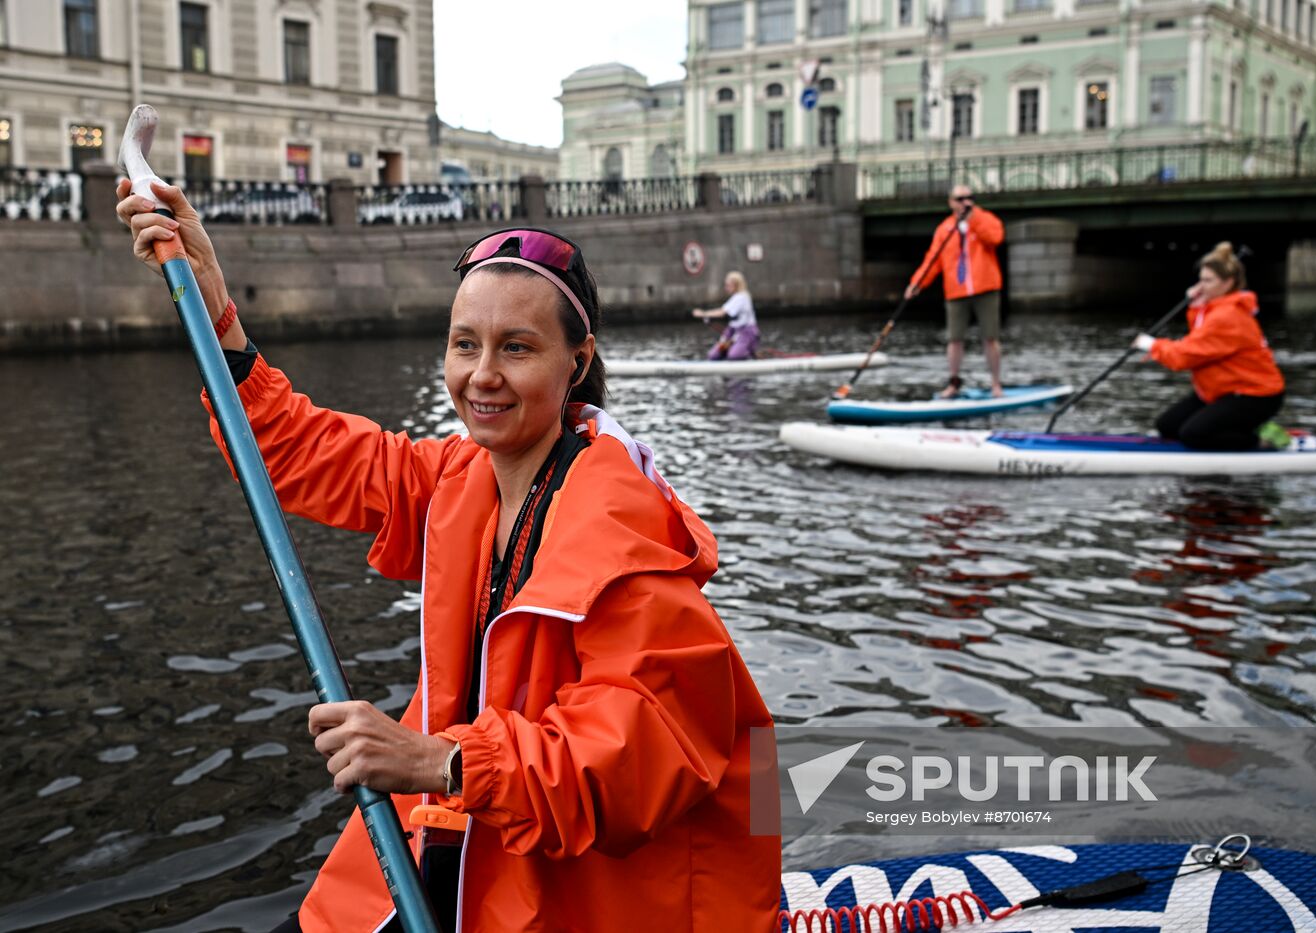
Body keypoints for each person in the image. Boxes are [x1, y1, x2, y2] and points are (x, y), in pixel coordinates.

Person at [114, 180, 780, 933]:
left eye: (516, 348)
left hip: (576, 895)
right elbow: (300, 451)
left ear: (577, 358)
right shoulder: (461, 476)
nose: (481, 376)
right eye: (465, 345)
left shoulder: (630, 539)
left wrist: (439, 761)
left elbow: (635, 763)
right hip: (455, 847)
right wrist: (214, 312)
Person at [1134, 242, 1288, 451]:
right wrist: (1196, 307)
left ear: (1228, 283)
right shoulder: (1214, 310)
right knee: (1167, 426)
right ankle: (1238, 429)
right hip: (1221, 389)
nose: (1201, 286)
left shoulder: (1228, 316)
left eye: (1208, 280)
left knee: (1193, 434)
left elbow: (1186, 357)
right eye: (1200, 279)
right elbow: (1199, 341)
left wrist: (1153, 346)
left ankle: (1260, 442)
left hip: (1255, 395)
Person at [904, 184, 1006, 398]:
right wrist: (917, 283)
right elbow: (933, 260)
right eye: (960, 199)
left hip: (985, 286)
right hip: (956, 290)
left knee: (990, 337)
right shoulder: (944, 229)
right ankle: (954, 382)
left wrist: (973, 220)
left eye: (969, 198)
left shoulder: (985, 219)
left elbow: (995, 238)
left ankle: (996, 384)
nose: (965, 202)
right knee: (955, 339)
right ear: (951, 202)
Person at [692, 271, 760, 360]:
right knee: (713, 356)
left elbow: (722, 313)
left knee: (734, 356)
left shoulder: (742, 297)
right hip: (732, 332)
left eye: (728, 285)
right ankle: (732, 352)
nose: (726, 288)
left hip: (746, 332)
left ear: (736, 285)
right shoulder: (734, 298)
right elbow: (724, 311)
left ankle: (748, 352)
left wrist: (702, 313)